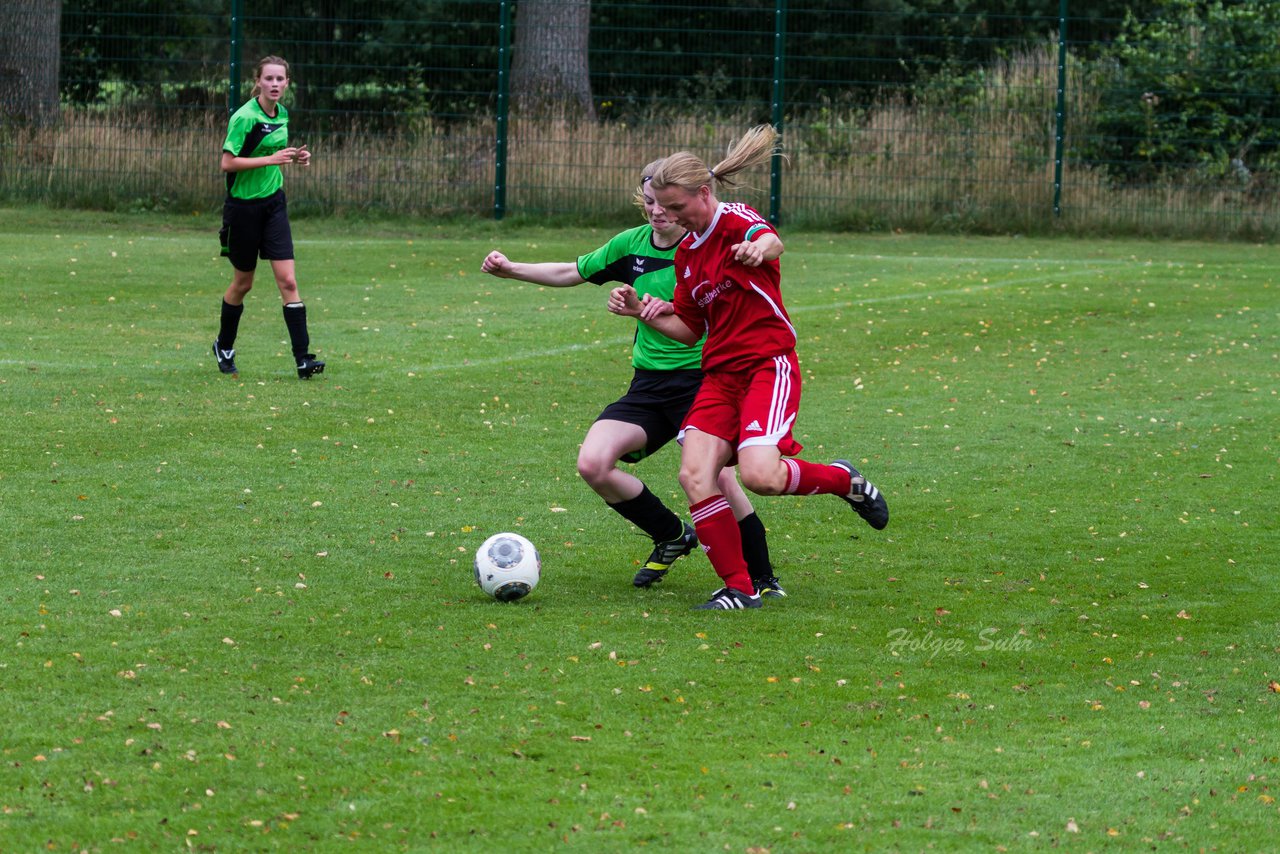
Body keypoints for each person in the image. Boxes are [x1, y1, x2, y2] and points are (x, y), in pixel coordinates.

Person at [607, 125, 889, 610]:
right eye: (662, 208)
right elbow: (691, 330)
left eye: (677, 208)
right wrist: (641, 312)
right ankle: (738, 588)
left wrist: (759, 249)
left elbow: (770, 241)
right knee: (696, 476)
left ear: (704, 192)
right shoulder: (690, 255)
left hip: (767, 366)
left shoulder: (736, 220)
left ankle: (845, 480)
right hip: (720, 377)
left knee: (761, 476)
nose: (670, 218)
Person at [480, 160, 784, 596]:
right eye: (650, 201)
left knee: (716, 477)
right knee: (593, 463)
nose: (658, 211)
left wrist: (654, 310)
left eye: (665, 203)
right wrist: (512, 269)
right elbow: (573, 271)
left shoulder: (704, 244)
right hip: (650, 385)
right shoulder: (631, 245)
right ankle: (673, 534)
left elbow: (725, 299)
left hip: (705, 380)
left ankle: (761, 576)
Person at [213, 54, 325, 380]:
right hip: (243, 209)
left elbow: (273, 154)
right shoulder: (244, 117)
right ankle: (224, 345)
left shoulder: (282, 114)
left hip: (274, 204)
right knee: (243, 283)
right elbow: (228, 163)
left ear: (287, 83)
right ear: (258, 81)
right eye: (269, 79)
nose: (275, 84)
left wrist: (295, 157)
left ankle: (303, 359)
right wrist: (271, 159)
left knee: (288, 281)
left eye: (280, 79)